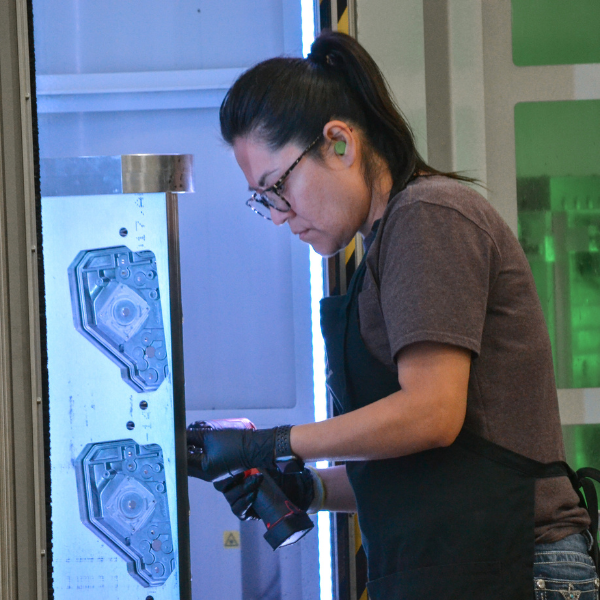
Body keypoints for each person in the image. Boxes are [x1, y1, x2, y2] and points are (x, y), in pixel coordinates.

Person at [187, 31, 599, 599]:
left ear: (338, 143)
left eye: (277, 187)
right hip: (465, 565)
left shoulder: (430, 216)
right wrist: (306, 489)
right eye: (264, 202)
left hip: (518, 566)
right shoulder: (384, 246)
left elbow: (432, 414)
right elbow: (426, 473)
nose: (280, 216)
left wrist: (275, 444)